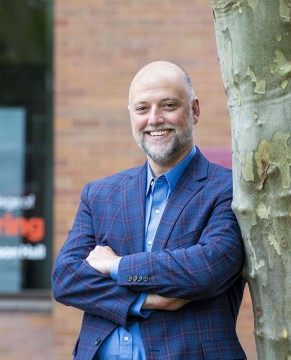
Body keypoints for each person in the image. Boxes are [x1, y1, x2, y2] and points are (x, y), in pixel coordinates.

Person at [52, 60, 246, 359]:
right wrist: (146, 300)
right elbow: (66, 279)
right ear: (131, 116)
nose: (154, 119)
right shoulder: (100, 194)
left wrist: (116, 266)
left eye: (168, 105)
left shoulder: (229, 190)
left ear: (194, 110)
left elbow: (206, 269)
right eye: (142, 109)